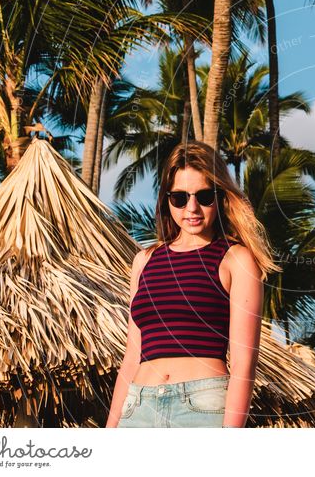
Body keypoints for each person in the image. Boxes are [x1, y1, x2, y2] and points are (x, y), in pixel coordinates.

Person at [106, 140, 278, 428]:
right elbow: (131, 356)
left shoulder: (236, 259)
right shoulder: (144, 261)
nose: (193, 207)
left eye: (204, 196)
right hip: (138, 407)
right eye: (180, 198)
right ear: (166, 200)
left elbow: (243, 364)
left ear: (220, 197)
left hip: (202, 408)